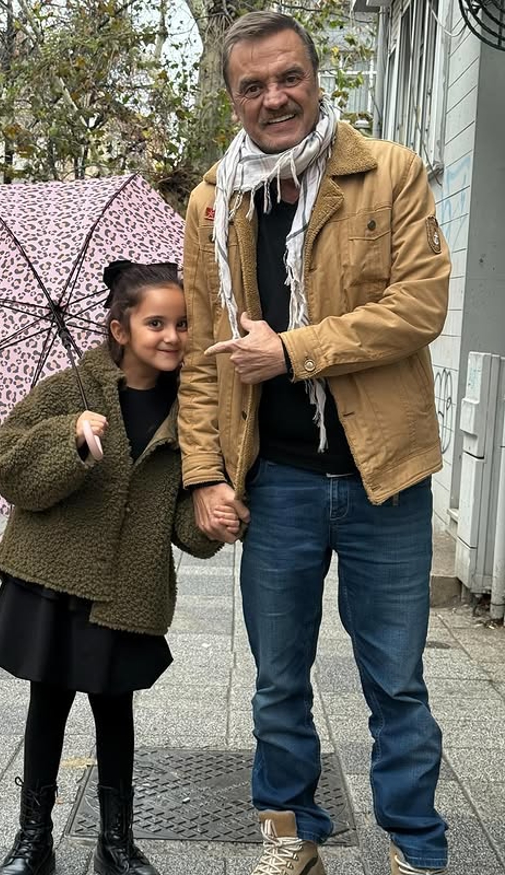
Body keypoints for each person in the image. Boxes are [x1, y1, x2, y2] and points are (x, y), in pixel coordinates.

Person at [178, 11, 451, 875]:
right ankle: (291, 838)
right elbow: (200, 355)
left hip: (385, 475)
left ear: (316, 76)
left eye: (288, 77)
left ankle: (416, 848)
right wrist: (203, 474)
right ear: (233, 98)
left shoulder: (390, 173)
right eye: (253, 85)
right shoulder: (214, 202)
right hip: (279, 480)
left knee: (396, 679)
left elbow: (419, 307)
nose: (275, 97)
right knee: (277, 682)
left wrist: (293, 351)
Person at [0, 260, 235, 875]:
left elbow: (182, 523)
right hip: (54, 577)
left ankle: (116, 843)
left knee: (115, 709)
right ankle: (33, 840)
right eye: (156, 323)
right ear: (120, 329)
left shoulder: (194, 411)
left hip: (127, 587)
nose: (172, 336)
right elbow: (4, 464)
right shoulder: (70, 390)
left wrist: (213, 523)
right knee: (48, 704)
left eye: (182, 324)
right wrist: (68, 438)